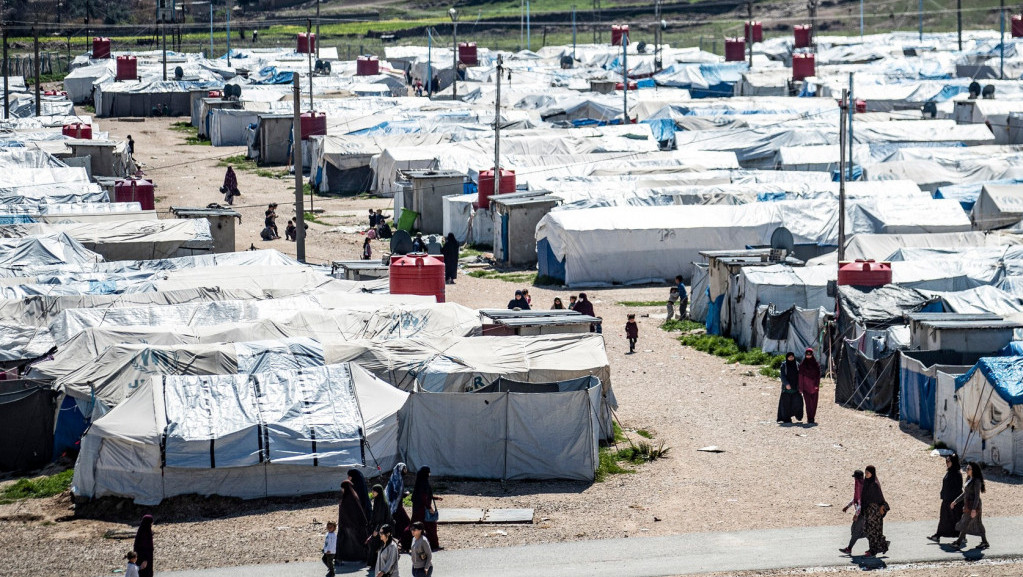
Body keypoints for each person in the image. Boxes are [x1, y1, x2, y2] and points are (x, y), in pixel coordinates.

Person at [952, 462, 989, 549]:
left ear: (973, 470)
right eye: (966, 468)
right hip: (968, 505)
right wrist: (955, 501)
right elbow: (965, 493)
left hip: (974, 506)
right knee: (978, 523)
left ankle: (958, 542)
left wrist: (974, 509)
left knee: (966, 522)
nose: (966, 470)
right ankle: (985, 542)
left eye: (968, 469)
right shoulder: (969, 478)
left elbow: (977, 496)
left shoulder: (977, 481)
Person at [928, 453, 963, 543]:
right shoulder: (949, 472)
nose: (946, 463)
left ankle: (961, 535)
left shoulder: (957, 474)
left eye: (948, 461)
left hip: (953, 502)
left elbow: (958, 489)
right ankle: (938, 535)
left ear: (953, 462)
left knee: (955, 519)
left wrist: (954, 502)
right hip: (946, 500)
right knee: (944, 519)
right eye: (946, 461)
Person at [860, 465, 890, 557]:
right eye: (865, 473)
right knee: (868, 531)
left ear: (872, 473)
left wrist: (881, 508)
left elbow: (880, 498)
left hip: (875, 512)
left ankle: (873, 551)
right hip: (867, 511)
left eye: (868, 473)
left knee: (874, 532)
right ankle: (882, 545)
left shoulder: (875, 485)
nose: (866, 474)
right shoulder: (866, 483)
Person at [337, 479, 369, 563]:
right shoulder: (354, 497)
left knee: (350, 543)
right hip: (355, 525)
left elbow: (345, 513)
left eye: (342, 488)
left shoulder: (347, 499)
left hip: (348, 526)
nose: (342, 490)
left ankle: (350, 557)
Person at [410, 466, 441, 550]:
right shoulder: (424, 483)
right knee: (431, 527)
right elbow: (423, 497)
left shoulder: (420, 482)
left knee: (415, 527)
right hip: (423, 510)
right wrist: (429, 508)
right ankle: (434, 544)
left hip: (418, 510)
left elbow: (424, 496)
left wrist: (435, 498)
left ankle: (410, 543)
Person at [385, 463, 413, 552]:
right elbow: (396, 494)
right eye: (405, 469)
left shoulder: (396, 478)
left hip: (396, 507)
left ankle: (402, 542)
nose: (406, 470)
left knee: (400, 525)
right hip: (396, 508)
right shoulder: (397, 480)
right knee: (406, 524)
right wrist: (404, 494)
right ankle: (405, 543)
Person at [838, 470, 865, 555]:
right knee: (854, 530)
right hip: (860, 512)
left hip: (862, 513)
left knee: (856, 531)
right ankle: (878, 540)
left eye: (855, 478)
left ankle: (849, 549)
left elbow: (861, 502)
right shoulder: (858, 486)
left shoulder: (861, 486)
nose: (855, 479)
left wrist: (856, 514)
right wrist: (848, 506)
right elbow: (856, 499)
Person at [367, 485, 392, 566]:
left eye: (374, 491)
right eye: (372, 490)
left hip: (380, 528)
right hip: (378, 527)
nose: (372, 492)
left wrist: (377, 530)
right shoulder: (377, 501)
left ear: (379, 492)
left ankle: (378, 564)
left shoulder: (381, 504)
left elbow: (381, 519)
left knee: (377, 546)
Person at [776, 352, 804, 423]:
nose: (791, 358)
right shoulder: (784, 365)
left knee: (797, 402)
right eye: (789, 357)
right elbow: (782, 376)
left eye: (792, 357)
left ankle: (798, 416)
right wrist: (786, 384)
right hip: (787, 388)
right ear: (787, 357)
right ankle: (786, 419)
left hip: (795, 387)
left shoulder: (797, 364)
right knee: (786, 404)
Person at [798, 348, 821, 425]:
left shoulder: (816, 364)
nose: (808, 356)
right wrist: (800, 387)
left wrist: (817, 386)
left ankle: (812, 418)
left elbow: (818, 376)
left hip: (814, 387)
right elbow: (800, 376)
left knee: (814, 404)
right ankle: (809, 418)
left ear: (812, 355)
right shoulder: (802, 365)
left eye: (809, 355)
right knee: (808, 404)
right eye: (807, 355)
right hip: (806, 388)